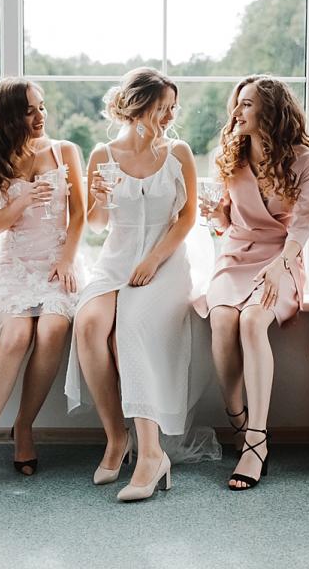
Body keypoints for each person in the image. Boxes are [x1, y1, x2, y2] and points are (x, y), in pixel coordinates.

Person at [64, 67, 198, 502]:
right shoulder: (102, 154)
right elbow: (97, 224)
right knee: (88, 324)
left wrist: (154, 259)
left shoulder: (178, 152)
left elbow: (188, 218)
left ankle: (152, 455)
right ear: (138, 106)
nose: (169, 116)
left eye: (173, 108)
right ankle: (116, 438)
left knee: (131, 328)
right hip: (116, 259)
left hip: (165, 261)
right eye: (162, 108)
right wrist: (100, 198)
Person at [0, 79, 86, 495]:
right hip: (15, 263)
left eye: (42, 107)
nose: (39, 116)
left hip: (58, 261)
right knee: (15, 337)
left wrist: (66, 259)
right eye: (30, 110)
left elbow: (80, 215)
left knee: (52, 329)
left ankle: (24, 426)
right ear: (9, 117)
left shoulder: (65, 151)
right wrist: (23, 200)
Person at [195, 75, 309, 490]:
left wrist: (281, 265)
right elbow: (225, 221)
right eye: (237, 103)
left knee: (252, 321)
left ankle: (256, 440)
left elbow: (302, 226)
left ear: (271, 110)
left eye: (246, 104)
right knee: (222, 319)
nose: (236, 112)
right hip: (235, 254)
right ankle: (237, 418)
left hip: (281, 256)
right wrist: (214, 215)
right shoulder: (229, 154)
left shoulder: (304, 160)